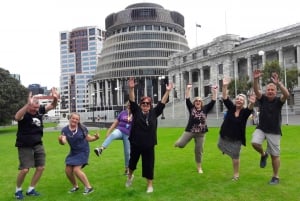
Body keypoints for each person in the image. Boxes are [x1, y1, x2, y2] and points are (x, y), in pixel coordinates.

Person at [125, 77, 173, 193]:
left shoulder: (154, 113)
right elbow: (132, 100)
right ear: (141, 105)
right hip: (136, 143)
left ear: (150, 105)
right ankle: (130, 176)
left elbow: (162, 103)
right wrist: (131, 89)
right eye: (143, 103)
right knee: (132, 163)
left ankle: (149, 185)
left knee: (149, 165)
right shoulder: (136, 112)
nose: (145, 105)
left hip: (149, 144)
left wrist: (167, 91)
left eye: (148, 103)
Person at [14, 88, 58, 200]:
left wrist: (55, 98)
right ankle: (18, 190)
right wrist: (27, 104)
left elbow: (52, 106)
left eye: (37, 108)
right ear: (29, 106)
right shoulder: (24, 113)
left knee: (40, 167)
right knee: (25, 169)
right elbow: (17, 117)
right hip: (25, 145)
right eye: (33, 107)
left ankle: (31, 189)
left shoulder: (39, 111)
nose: (35, 110)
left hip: (38, 144)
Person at [251, 70, 289, 185]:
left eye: (272, 90)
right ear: (266, 91)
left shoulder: (279, 101)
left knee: (275, 156)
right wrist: (256, 79)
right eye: (268, 90)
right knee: (254, 143)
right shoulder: (263, 99)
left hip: (274, 131)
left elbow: (286, 94)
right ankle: (263, 154)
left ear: (276, 91)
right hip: (261, 128)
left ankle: (275, 177)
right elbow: (256, 90)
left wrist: (279, 84)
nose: (270, 91)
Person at [218, 77, 256, 180]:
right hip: (225, 134)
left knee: (235, 157)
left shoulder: (244, 112)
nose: (239, 101)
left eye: (241, 100)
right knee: (219, 145)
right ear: (235, 101)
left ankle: (236, 175)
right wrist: (225, 85)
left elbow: (250, 108)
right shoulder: (231, 107)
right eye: (238, 99)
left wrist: (252, 102)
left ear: (243, 103)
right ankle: (226, 150)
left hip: (237, 138)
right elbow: (225, 97)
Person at [174, 83, 217, 174]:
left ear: (202, 103)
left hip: (201, 134)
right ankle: (177, 143)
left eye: (199, 101)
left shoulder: (205, 109)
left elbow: (213, 101)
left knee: (198, 151)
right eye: (196, 101)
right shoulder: (191, 108)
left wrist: (214, 91)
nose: (198, 102)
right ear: (194, 103)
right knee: (181, 145)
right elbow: (187, 99)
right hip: (190, 131)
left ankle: (199, 168)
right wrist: (188, 89)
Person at [58, 112, 99, 194]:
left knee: (76, 170)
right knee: (68, 170)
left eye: (77, 119)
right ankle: (75, 186)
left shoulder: (82, 128)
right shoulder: (65, 130)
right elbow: (64, 142)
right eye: (73, 118)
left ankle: (89, 188)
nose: (74, 120)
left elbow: (88, 138)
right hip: (73, 152)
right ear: (70, 118)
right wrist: (61, 140)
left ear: (78, 121)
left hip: (83, 151)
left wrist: (96, 137)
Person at [94, 101, 132, 175]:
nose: (129, 106)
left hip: (128, 134)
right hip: (120, 130)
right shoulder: (122, 113)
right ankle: (100, 149)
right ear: (126, 105)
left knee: (127, 152)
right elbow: (115, 123)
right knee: (113, 134)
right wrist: (109, 131)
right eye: (128, 105)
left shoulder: (136, 114)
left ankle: (127, 169)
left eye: (131, 105)